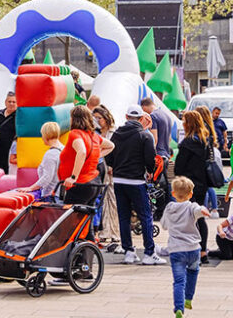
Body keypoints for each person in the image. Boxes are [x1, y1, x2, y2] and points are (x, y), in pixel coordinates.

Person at [107, 105, 163, 265]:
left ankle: (129, 251)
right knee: (145, 215)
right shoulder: (144, 136)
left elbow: (109, 156)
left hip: (118, 180)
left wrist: (115, 167)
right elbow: (150, 159)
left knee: (123, 216)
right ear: (141, 119)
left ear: (126, 116)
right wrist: (149, 170)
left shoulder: (116, 134)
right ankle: (149, 253)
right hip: (136, 180)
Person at [160, 176, 210, 318]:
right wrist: (204, 211)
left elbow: (163, 225)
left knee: (179, 281)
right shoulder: (191, 206)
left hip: (176, 250)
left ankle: (179, 309)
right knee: (193, 271)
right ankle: (188, 298)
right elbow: (199, 210)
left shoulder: (169, 208)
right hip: (193, 248)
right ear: (191, 194)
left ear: (173, 193)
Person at [173, 110, 213, 264]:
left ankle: (189, 250)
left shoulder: (186, 144)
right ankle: (203, 251)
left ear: (188, 124)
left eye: (184, 121)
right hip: (201, 184)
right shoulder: (204, 141)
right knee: (200, 217)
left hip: (187, 185)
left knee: (188, 218)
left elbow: (179, 167)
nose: (182, 123)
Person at [59, 106, 114, 206]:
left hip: (80, 184)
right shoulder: (93, 135)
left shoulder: (75, 134)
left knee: (71, 220)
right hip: (94, 182)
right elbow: (111, 145)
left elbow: (82, 151)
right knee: (85, 219)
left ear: (74, 119)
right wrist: (96, 156)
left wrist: (73, 177)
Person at [93, 105, 119, 244]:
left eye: (100, 118)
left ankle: (114, 232)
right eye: (95, 118)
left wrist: (112, 165)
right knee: (101, 202)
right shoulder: (95, 133)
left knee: (112, 201)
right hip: (99, 170)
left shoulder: (113, 132)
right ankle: (103, 231)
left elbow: (116, 150)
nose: (97, 120)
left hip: (110, 170)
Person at [17, 122, 62, 202]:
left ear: (46, 135)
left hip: (51, 195)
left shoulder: (51, 154)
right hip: (60, 193)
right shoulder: (63, 149)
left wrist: (31, 188)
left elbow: (47, 177)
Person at [0, 92, 17, 173]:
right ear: (5, 102)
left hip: (9, 151)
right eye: (9, 101)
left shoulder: (19, 116)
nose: (11, 104)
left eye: (14, 102)